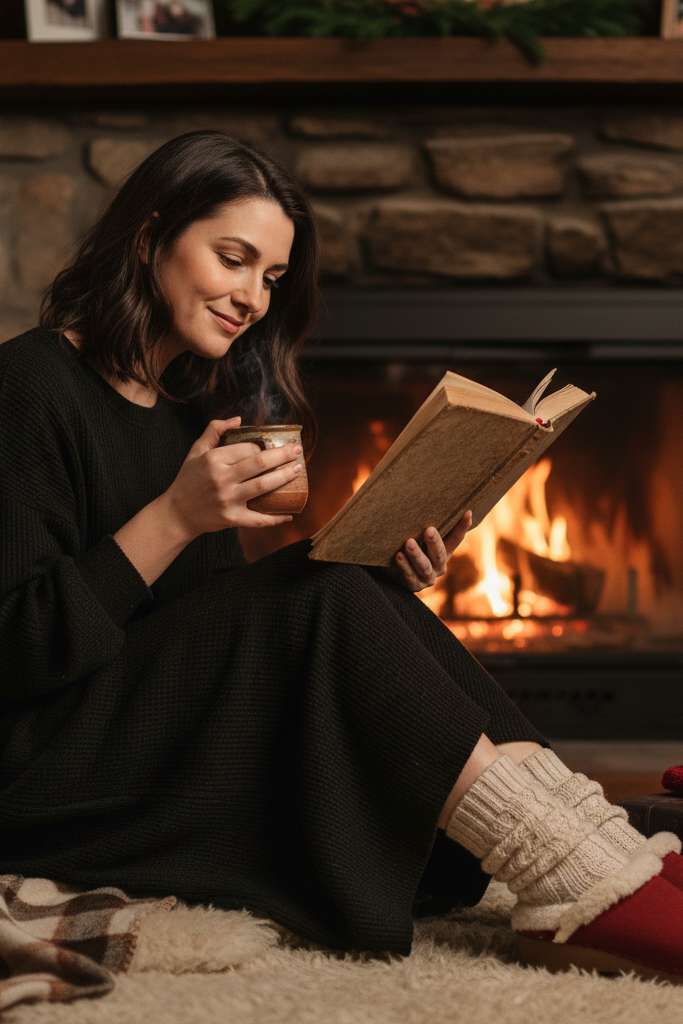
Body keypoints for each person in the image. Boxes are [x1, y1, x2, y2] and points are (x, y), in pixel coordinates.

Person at [1, 130, 682, 984]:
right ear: (149, 237)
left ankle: (594, 847)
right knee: (313, 594)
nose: (253, 297)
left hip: (143, 730)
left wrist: (386, 573)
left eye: (272, 278)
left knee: (341, 580)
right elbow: (16, 649)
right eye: (234, 259)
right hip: (42, 772)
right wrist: (175, 517)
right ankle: (580, 875)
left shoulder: (187, 411)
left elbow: (202, 638)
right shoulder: (27, 385)